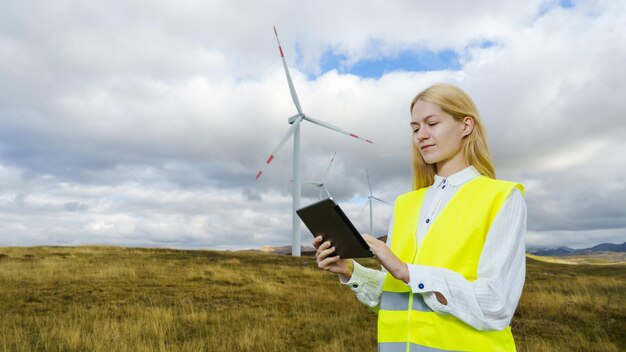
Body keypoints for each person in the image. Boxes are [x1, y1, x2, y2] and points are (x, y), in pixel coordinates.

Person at [313, 83, 527, 352]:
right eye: (415, 128)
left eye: (432, 123)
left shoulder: (502, 197)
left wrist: (408, 271)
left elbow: (497, 305)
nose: (421, 136)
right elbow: (400, 295)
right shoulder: (405, 204)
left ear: (466, 126)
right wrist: (349, 270)